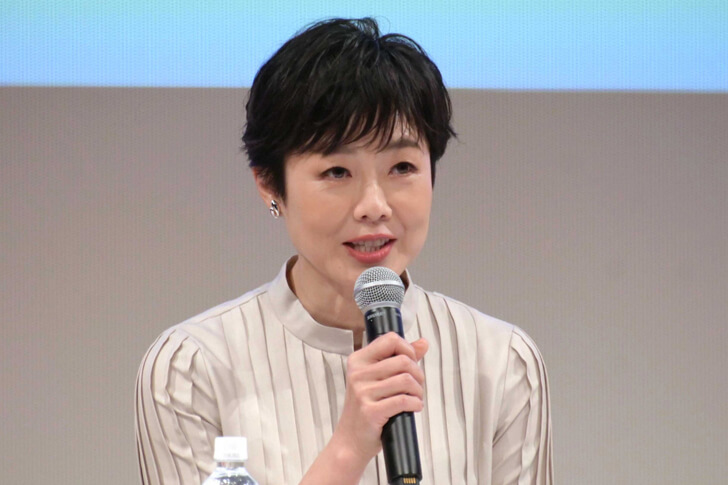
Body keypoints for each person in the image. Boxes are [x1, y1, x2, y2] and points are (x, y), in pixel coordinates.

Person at [135, 17, 552, 485]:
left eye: (402, 167)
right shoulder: (190, 369)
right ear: (269, 184)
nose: (374, 206)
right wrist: (348, 449)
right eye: (337, 172)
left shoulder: (502, 362)